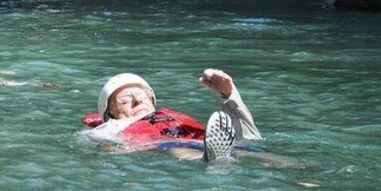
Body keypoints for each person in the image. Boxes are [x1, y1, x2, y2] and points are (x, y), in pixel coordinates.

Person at [82, 69, 262, 161]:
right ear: (110, 114)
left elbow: (249, 137)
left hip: (204, 142)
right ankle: (206, 159)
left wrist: (229, 95)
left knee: (253, 150)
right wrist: (120, 147)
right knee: (174, 146)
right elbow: (95, 142)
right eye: (124, 101)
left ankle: (288, 166)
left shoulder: (167, 115)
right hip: (167, 145)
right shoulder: (111, 127)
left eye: (143, 96)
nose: (138, 100)